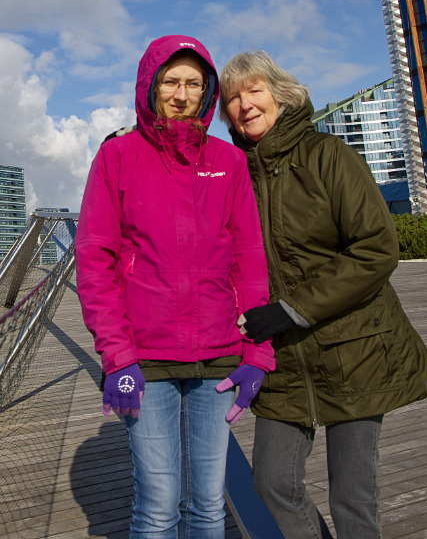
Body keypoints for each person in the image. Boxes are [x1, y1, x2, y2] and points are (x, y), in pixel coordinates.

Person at [218, 50, 427, 539]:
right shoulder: (232, 174)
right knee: (271, 484)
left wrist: (293, 309)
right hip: (281, 358)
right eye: (232, 98)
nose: (245, 104)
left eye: (254, 90)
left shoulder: (328, 155)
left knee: (352, 495)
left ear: (280, 95)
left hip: (354, 347)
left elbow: (377, 248)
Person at [75, 35, 276, 538]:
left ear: (207, 92)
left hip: (219, 356)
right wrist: (117, 357)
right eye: (170, 82)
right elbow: (95, 261)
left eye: (193, 83)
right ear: (150, 86)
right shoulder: (118, 156)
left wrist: (258, 352)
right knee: (158, 503)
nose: (181, 95)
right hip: (145, 358)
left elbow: (249, 262)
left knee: (208, 503)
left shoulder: (229, 161)